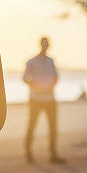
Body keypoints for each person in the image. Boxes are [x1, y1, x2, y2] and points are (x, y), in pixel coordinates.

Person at [23, 36, 65, 164]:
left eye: (47, 44)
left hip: (50, 99)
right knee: (32, 125)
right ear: (40, 44)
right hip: (35, 99)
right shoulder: (31, 62)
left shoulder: (51, 61)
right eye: (44, 44)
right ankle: (28, 153)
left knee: (53, 127)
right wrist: (36, 87)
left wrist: (51, 86)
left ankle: (53, 154)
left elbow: (56, 77)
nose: (46, 46)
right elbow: (25, 78)